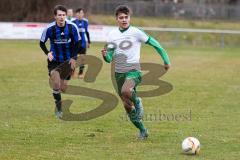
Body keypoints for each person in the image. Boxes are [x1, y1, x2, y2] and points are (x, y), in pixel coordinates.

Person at [101, 5, 170, 139]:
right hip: (118, 73)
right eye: (121, 17)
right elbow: (109, 58)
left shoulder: (136, 32)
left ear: (129, 18)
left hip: (133, 70)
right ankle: (143, 130)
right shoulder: (112, 35)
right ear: (117, 19)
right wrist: (105, 55)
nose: (124, 19)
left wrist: (166, 60)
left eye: (126, 17)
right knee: (127, 107)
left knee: (126, 91)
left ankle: (138, 100)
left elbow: (154, 43)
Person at [40, 5, 81, 118]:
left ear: (66, 16)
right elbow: (42, 42)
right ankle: (59, 109)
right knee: (57, 84)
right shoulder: (49, 29)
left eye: (63, 15)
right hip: (54, 61)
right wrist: (47, 53)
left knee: (63, 88)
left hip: (67, 61)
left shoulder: (72, 27)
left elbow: (77, 43)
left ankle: (63, 80)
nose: (62, 17)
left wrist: (74, 58)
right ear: (55, 16)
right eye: (59, 15)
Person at [72, 8, 91, 79]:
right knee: (74, 59)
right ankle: (72, 72)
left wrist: (88, 42)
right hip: (75, 44)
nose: (81, 14)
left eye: (82, 13)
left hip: (83, 44)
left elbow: (87, 32)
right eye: (80, 13)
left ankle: (80, 73)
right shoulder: (73, 22)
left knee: (82, 59)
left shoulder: (85, 22)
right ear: (76, 14)